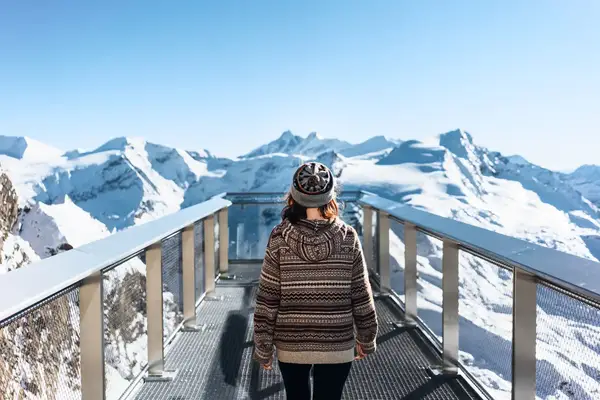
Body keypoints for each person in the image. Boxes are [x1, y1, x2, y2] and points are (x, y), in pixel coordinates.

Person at [253, 162, 378, 400]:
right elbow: (361, 294)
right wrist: (366, 337)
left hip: (291, 344)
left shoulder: (279, 237)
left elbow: (268, 298)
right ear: (330, 196)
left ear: (294, 196)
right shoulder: (348, 237)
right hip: (337, 342)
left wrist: (263, 347)